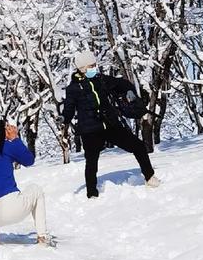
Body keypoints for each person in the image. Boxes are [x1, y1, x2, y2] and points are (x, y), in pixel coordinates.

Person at [62, 49, 161, 199]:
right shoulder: (73, 89)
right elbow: (68, 109)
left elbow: (122, 84)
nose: (94, 68)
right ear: (82, 69)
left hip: (110, 124)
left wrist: (129, 92)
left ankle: (149, 177)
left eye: (94, 65)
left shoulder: (101, 79)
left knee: (138, 146)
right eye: (91, 66)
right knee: (91, 161)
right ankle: (92, 193)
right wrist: (64, 119)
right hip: (90, 129)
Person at [0, 110, 52, 249]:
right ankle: (42, 236)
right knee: (36, 190)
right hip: (11, 209)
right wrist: (14, 139)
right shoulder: (4, 146)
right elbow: (29, 160)